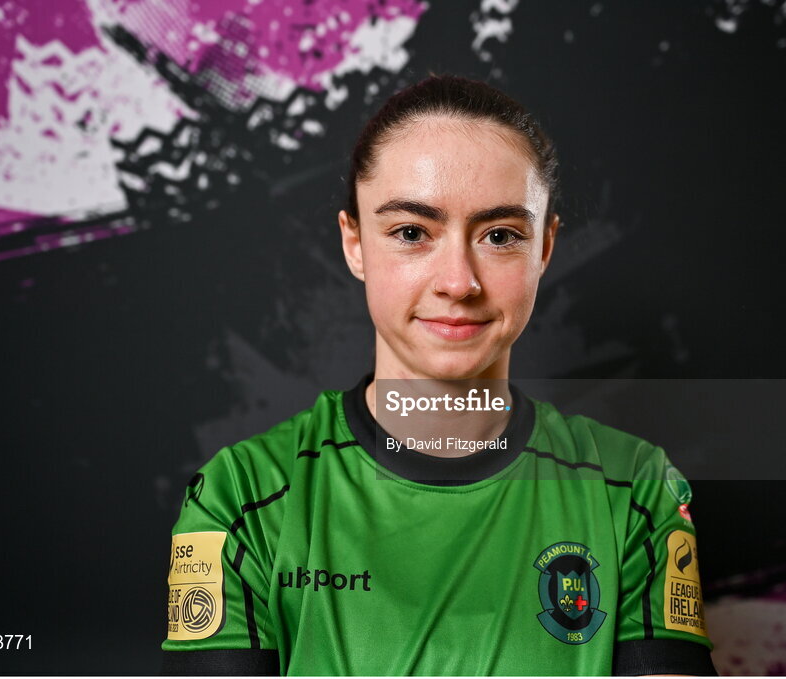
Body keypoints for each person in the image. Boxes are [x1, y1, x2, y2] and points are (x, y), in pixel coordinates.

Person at [160, 73, 715, 676]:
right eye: (411, 233)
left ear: (545, 248)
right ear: (354, 243)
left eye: (501, 236)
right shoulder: (239, 499)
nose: (458, 281)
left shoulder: (634, 492)